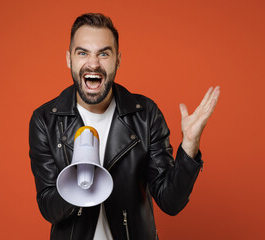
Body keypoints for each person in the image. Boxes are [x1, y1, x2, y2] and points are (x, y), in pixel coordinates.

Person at [29, 13, 220, 240]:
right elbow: (48, 207)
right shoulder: (46, 120)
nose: (93, 63)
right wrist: (79, 181)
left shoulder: (145, 114)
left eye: (103, 53)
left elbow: (171, 202)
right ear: (69, 59)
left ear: (117, 60)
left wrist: (189, 147)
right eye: (83, 53)